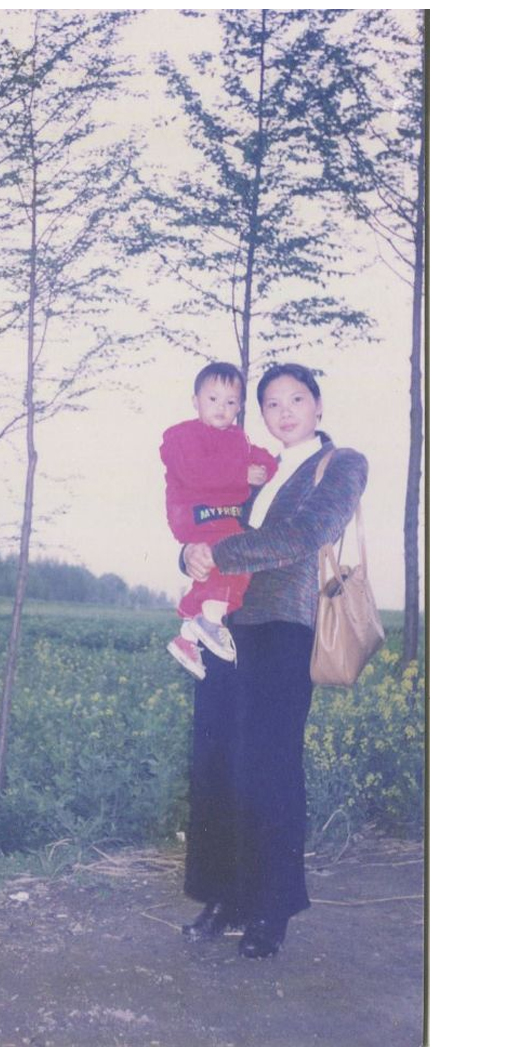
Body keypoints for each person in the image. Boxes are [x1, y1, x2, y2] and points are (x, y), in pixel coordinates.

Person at [178, 363, 368, 959]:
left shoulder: (341, 464)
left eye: (297, 399)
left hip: (284, 626)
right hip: (224, 627)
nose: (285, 412)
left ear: (318, 405)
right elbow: (206, 516)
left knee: (270, 767)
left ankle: (269, 909)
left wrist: (220, 553)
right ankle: (223, 897)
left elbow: (305, 534)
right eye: (272, 404)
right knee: (216, 763)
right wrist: (189, 555)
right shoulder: (253, 470)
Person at [159, 362, 277, 679]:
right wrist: (241, 474)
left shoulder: (238, 439)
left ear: (239, 408)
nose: (221, 408)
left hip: (223, 519)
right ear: (195, 400)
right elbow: (196, 472)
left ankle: (188, 637)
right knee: (231, 561)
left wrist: (265, 469)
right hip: (196, 513)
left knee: (227, 568)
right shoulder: (183, 435)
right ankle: (210, 622)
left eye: (230, 402)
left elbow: (260, 456)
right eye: (213, 399)